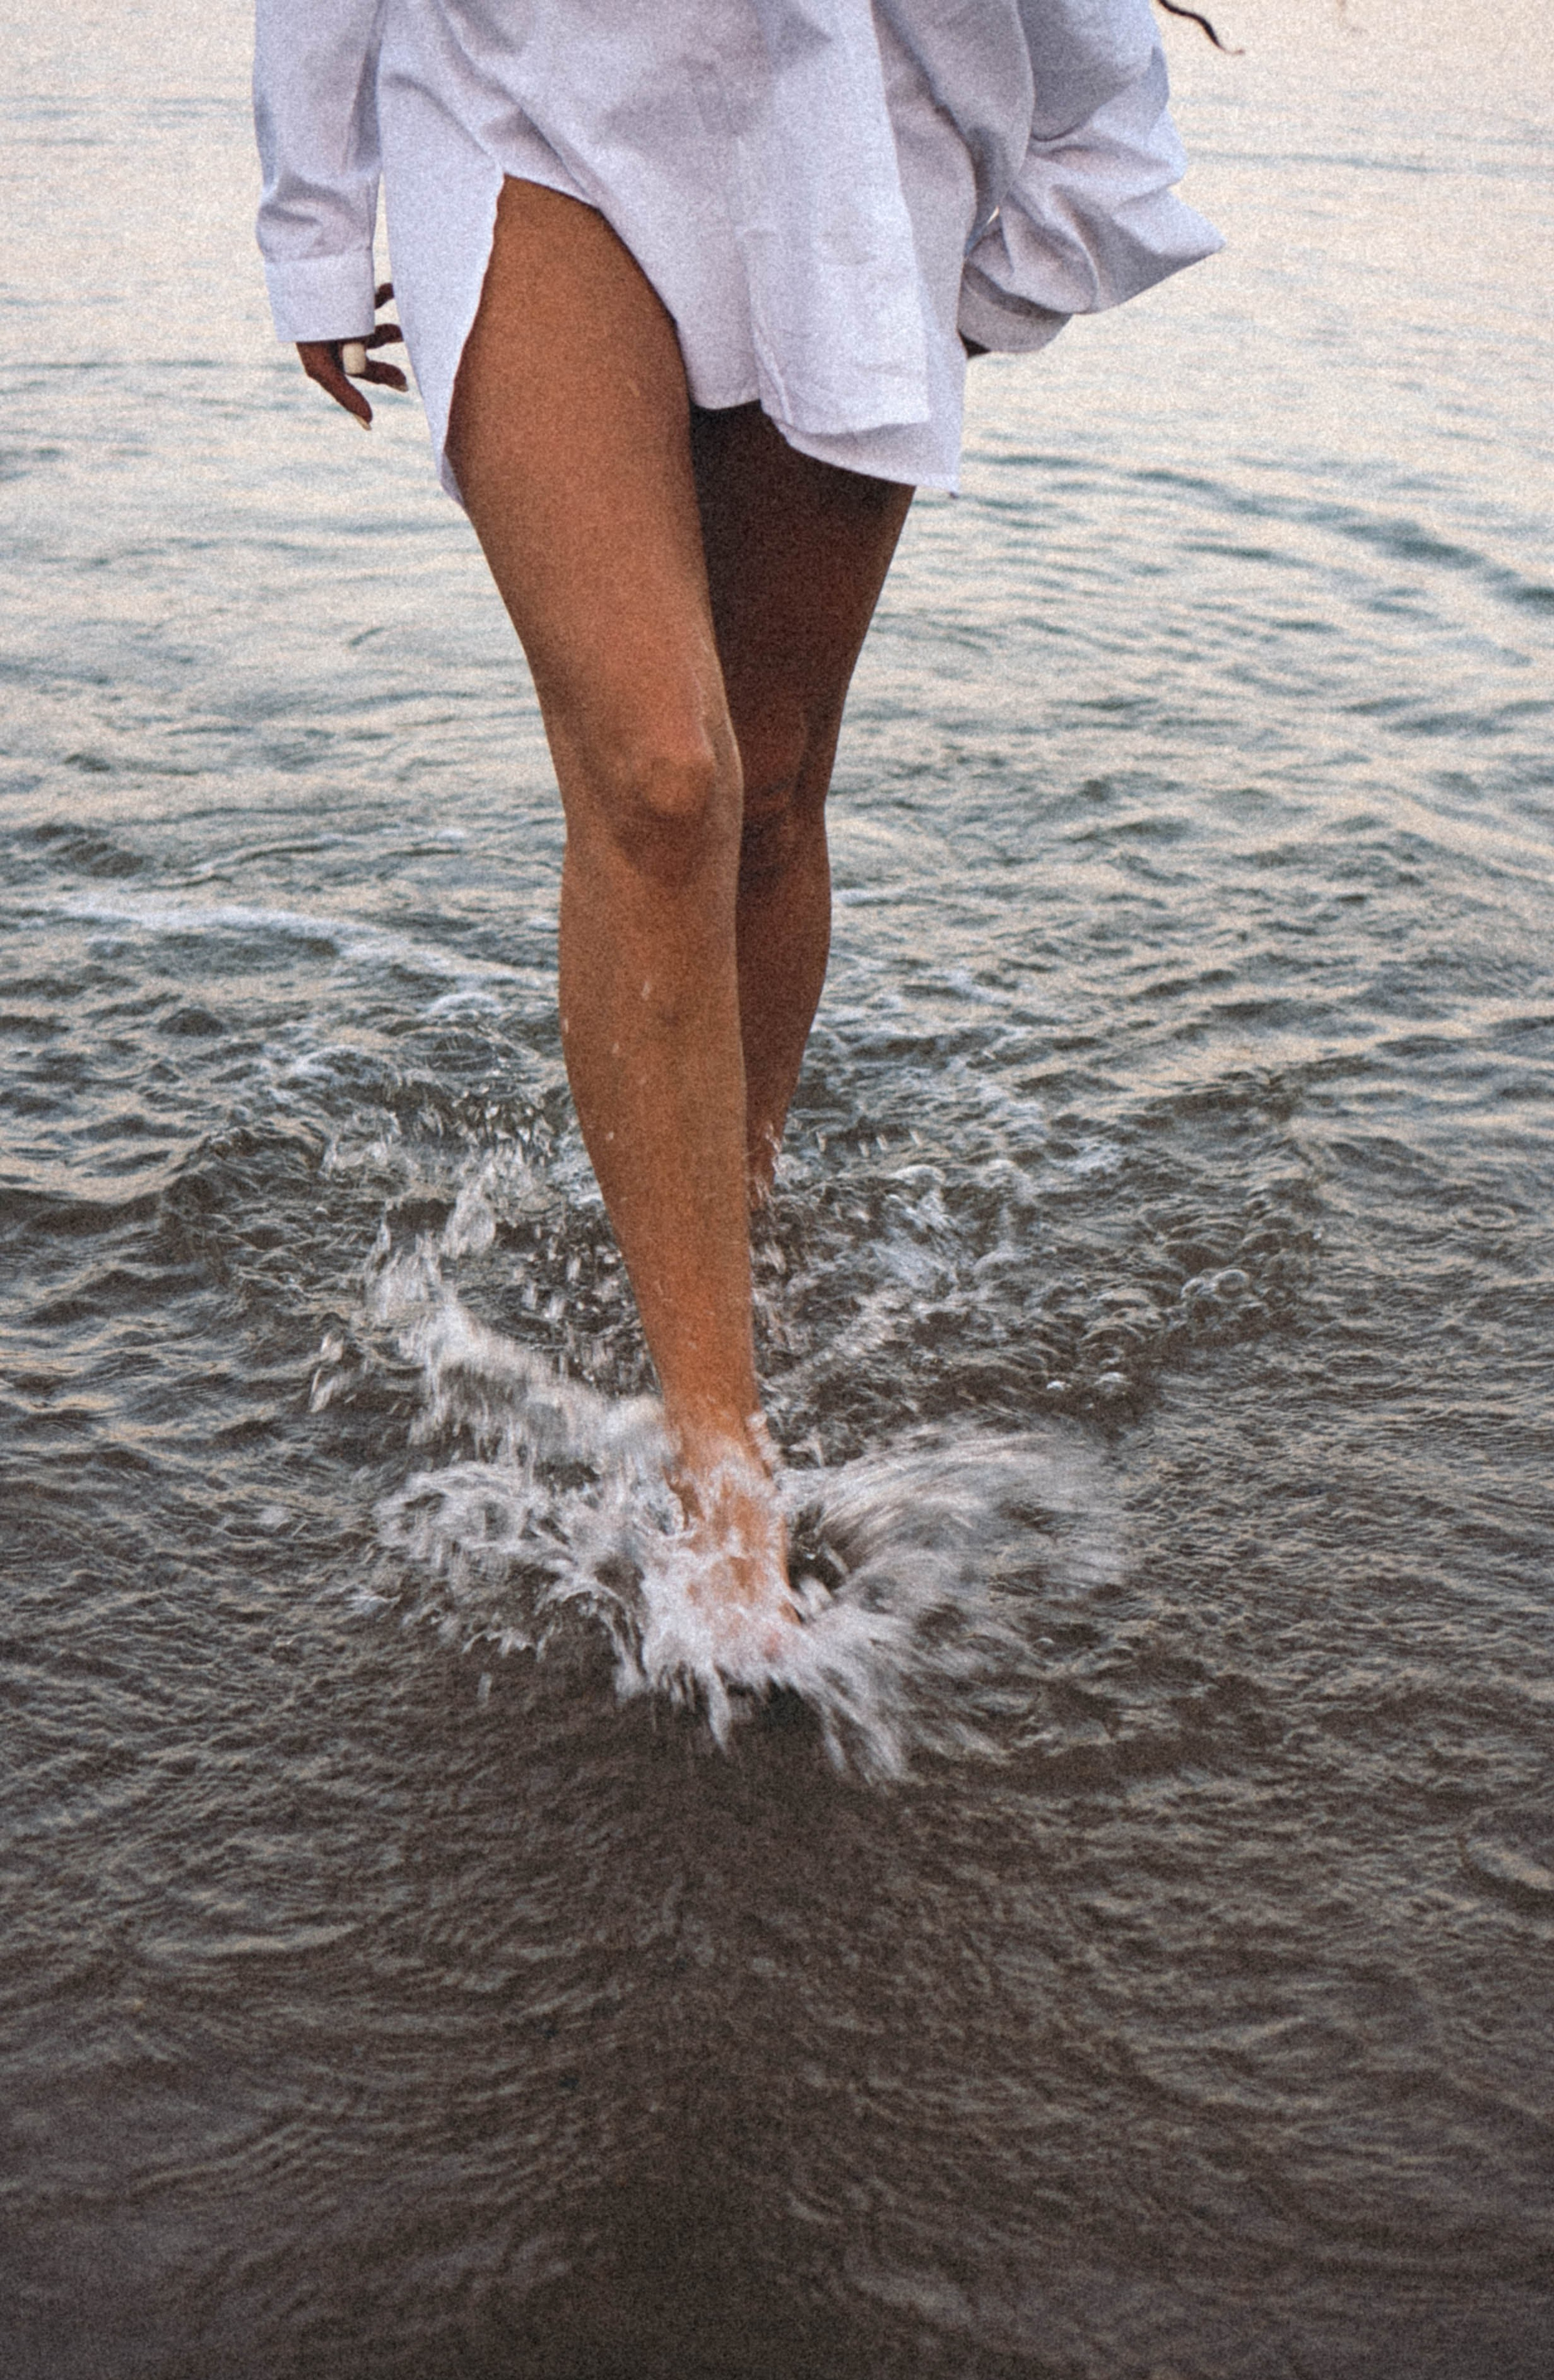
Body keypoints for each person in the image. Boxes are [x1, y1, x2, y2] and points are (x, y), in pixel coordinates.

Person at [254, 0, 1222, 1661]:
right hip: (520, 98)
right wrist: (316, 219)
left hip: (845, 121)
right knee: (661, 775)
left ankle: (733, 1200)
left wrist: (1035, 223)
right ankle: (723, 1460)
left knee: (768, 788)